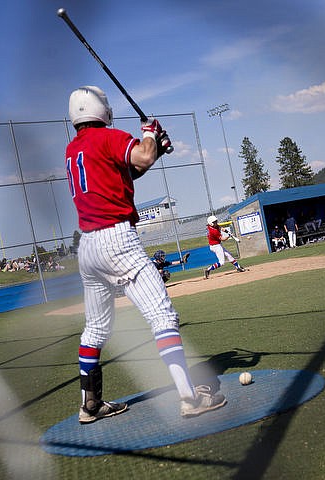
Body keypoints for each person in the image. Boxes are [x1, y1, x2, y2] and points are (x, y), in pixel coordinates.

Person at [64, 86, 226, 424]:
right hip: (117, 239)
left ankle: (89, 405)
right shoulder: (107, 137)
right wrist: (149, 135)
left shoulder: (74, 148)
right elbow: (142, 156)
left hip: (88, 247)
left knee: (94, 329)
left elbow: (126, 170)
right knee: (162, 316)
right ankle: (189, 397)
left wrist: (156, 150)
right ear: (100, 110)